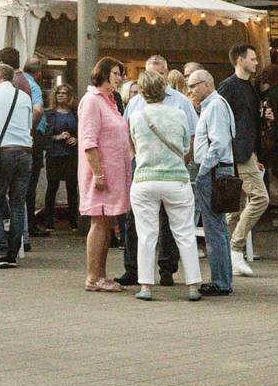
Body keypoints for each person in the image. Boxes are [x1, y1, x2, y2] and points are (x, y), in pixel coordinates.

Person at [124, 69, 203, 301]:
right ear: (165, 89)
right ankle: (193, 286)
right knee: (185, 233)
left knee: (147, 234)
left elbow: (133, 148)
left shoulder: (136, 116)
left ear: (143, 91)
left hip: (145, 180)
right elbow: (187, 148)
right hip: (176, 179)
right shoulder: (179, 113)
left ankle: (146, 286)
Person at [78, 58, 133, 294]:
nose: (119, 78)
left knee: (107, 223)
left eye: (121, 74)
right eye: (115, 73)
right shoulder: (91, 101)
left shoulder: (109, 102)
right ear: (102, 73)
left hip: (114, 173)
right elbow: (89, 141)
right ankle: (93, 277)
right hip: (101, 174)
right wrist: (98, 173)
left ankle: (101, 275)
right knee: (99, 223)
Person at [0, 61, 36, 269]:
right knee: (19, 204)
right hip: (26, 153)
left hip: (3, 154)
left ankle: (0, 252)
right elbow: (28, 126)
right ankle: (12, 254)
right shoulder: (25, 97)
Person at [215, 45, 267, 273]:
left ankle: (230, 254)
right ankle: (235, 248)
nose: (256, 63)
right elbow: (221, 119)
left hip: (245, 151)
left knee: (235, 207)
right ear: (240, 60)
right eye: (252, 59)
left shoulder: (250, 87)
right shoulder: (228, 87)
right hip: (237, 152)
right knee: (260, 198)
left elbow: (250, 121)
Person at [186, 68, 236, 295]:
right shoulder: (216, 105)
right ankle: (223, 279)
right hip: (219, 170)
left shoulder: (215, 106)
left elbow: (218, 143)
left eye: (194, 85)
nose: (191, 90)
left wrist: (204, 169)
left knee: (213, 227)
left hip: (214, 171)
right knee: (218, 227)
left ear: (206, 84)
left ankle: (220, 281)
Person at [37, 83, 80, 232]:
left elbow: (83, 132)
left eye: (64, 93)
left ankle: (73, 221)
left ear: (70, 96)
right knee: (52, 187)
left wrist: (76, 140)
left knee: (72, 188)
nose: (61, 95)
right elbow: (44, 136)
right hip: (54, 154)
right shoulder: (49, 114)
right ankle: (49, 220)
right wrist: (58, 137)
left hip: (71, 155)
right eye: (58, 93)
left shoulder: (76, 114)